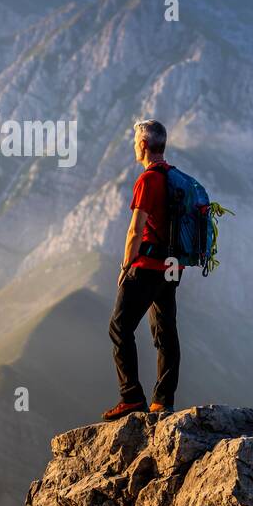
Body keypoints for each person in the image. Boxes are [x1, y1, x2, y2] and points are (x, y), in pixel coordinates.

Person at [102, 120, 181, 420]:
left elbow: (135, 230)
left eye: (136, 142)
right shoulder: (173, 177)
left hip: (147, 265)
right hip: (172, 266)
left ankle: (131, 397)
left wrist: (125, 266)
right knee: (165, 331)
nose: (134, 146)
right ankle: (163, 400)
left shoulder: (148, 180)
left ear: (144, 145)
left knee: (119, 327)